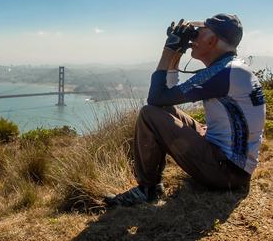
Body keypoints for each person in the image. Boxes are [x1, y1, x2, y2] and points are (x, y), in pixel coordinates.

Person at [105, 14, 266, 206]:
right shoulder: (231, 68)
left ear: (212, 40)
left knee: (149, 114)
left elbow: (156, 98)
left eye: (198, 33)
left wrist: (169, 49)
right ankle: (149, 186)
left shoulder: (223, 73)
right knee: (163, 111)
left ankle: (147, 189)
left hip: (227, 172)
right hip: (235, 167)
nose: (192, 38)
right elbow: (165, 100)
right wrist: (178, 53)